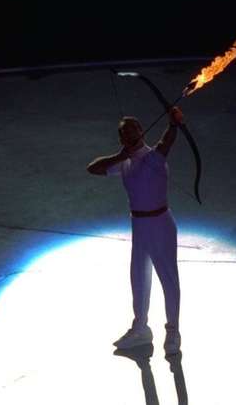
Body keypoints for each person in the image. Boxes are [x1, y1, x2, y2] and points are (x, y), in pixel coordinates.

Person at [87, 106, 184, 354]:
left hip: (160, 223)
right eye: (124, 134)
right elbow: (93, 168)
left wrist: (173, 124)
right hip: (139, 226)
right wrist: (120, 156)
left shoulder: (154, 157)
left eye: (133, 131)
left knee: (168, 279)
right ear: (121, 139)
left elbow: (166, 142)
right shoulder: (125, 162)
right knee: (138, 278)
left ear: (141, 131)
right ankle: (140, 328)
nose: (129, 136)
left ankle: (173, 331)